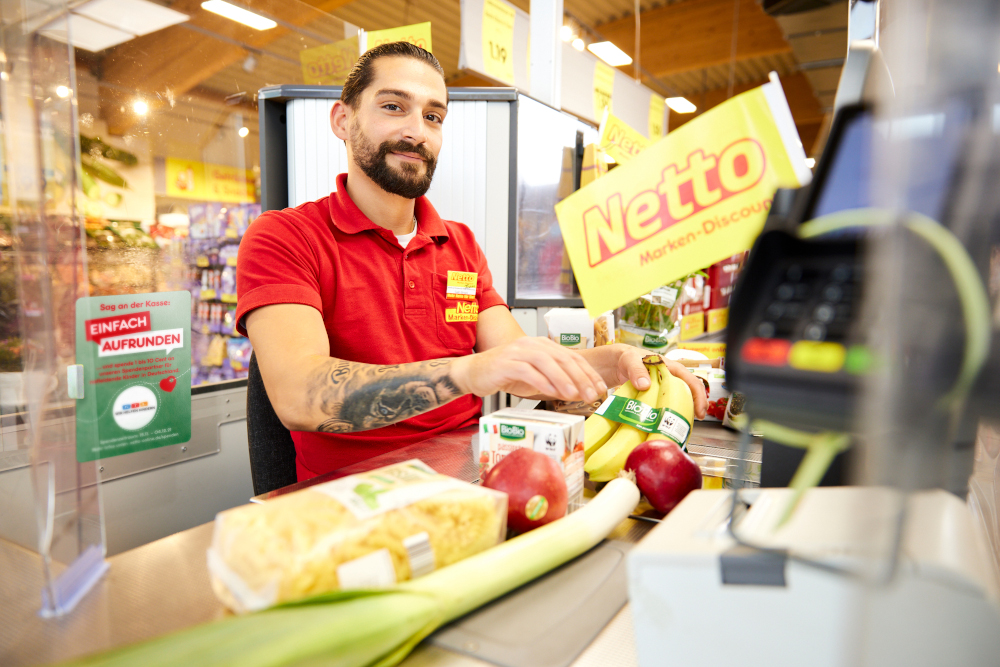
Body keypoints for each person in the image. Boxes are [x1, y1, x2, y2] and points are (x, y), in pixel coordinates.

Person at [236, 42, 707, 481]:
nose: (416, 131)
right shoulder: (285, 237)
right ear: (342, 119)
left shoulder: (459, 244)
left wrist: (619, 361)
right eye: (393, 106)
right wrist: (471, 370)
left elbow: (524, 367)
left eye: (433, 116)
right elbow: (299, 394)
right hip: (350, 498)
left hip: (472, 477)